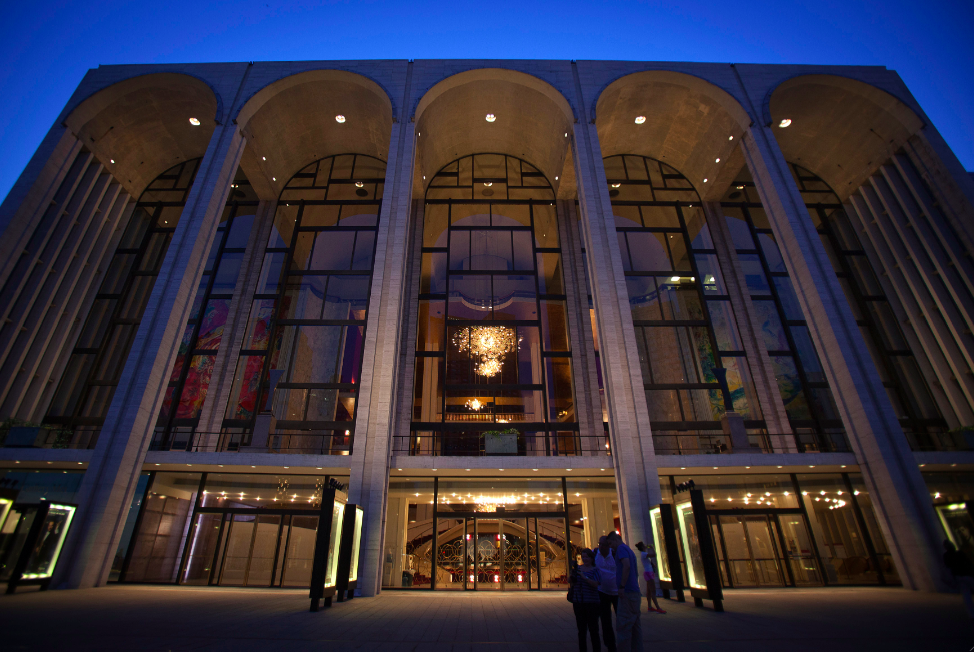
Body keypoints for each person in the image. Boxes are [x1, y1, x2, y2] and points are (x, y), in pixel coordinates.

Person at [607, 531, 642, 652]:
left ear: (616, 539)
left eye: (611, 543)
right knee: (635, 626)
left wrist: (621, 586)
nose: (610, 546)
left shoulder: (621, 549)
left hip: (627, 592)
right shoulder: (628, 549)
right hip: (634, 592)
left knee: (624, 626)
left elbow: (626, 565)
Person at [569, 548, 604, 652]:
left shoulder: (595, 570)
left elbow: (596, 584)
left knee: (593, 629)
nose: (585, 559)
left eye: (587, 557)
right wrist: (572, 575)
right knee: (581, 630)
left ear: (592, 558)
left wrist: (585, 578)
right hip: (579, 602)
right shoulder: (578, 568)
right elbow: (570, 581)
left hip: (592, 603)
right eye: (583, 557)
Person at [595, 536, 618, 652]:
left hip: (617, 592)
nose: (601, 547)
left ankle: (623, 640)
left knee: (621, 617)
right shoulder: (596, 554)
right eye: (600, 544)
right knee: (605, 619)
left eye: (603, 544)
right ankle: (610, 643)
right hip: (602, 591)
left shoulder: (615, 554)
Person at [944, 539, 974, 618]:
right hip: (968, 574)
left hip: (959, 576)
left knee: (966, 595)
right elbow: (969, 563)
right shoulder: (960, 553)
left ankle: (971, 613)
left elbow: (948, 568)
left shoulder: (946, 556)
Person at [634, 542, 665, 614]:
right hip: (649, 573)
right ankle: (658, 607)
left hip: (648, 572)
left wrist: (652, 564)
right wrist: (652, 548)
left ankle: (650, 606)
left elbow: (649, 561)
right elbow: (654, 555)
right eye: (644, 545)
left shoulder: (643, 554)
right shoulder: (644, 554)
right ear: (642, 547)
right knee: (653, 591)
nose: (645, 546)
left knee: (649, 591)